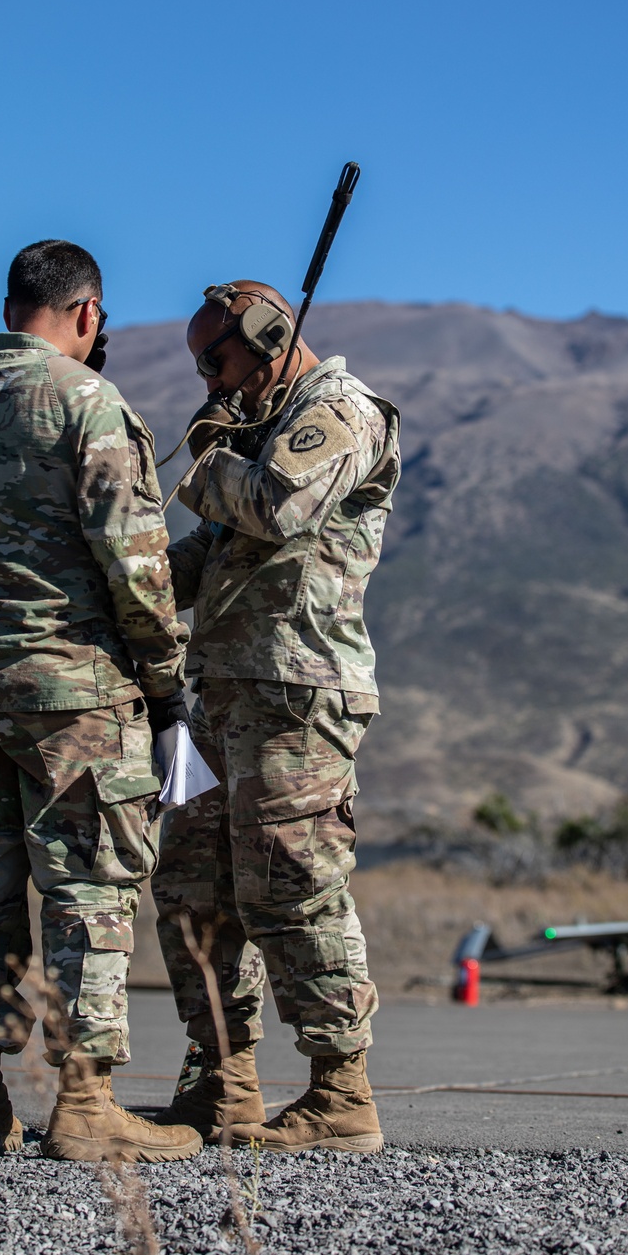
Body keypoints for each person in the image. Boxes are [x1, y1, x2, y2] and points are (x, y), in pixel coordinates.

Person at [0, 239, 200, 1163]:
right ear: (88, 313)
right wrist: (165, 691)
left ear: (9, 307)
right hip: (75, 692)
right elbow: (137, 568)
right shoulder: (90, 402)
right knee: (89, 892)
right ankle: (84, 1107)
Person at [152, 280, 401, 1152]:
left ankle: (341, 1091)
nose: (209, 383)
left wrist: (211, 462)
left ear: (264, 335)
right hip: (217, 695)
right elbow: (210, 553)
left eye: (215, 360)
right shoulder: (254, 436)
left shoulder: (338, 411)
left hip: (294, 696)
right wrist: (124, 578)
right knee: (191, 884)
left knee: (292, 885)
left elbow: (275, 505)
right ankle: (223, 1077)